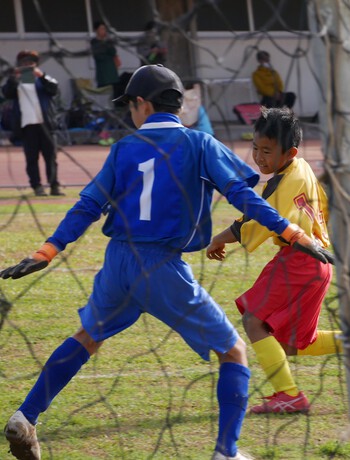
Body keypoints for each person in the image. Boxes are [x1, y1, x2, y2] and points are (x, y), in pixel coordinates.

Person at [0, 65, 332, 460]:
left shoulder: (123, 147)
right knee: (234, 351)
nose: (130, 113)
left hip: (118, 261)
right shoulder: (200, 143)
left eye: (130, 105)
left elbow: (88, 204)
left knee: (86, 337)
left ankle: (26, 416)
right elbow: (245, 198)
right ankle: (227, 452)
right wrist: (292, 232)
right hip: (160, 266)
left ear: (143, 104)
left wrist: (48, 250)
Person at [206, 107, 340, 415]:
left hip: (299, 260)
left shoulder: (281, 183)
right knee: (295, 343)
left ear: (289, 152)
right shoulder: (303, 168)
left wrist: (218, 238)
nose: (258, 157)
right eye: (254, 147)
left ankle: (287, 394)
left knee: (254, 320)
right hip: (318, 263)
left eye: (267, 151)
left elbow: (260, 220)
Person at [1, 50, 64, 196]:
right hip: (27, 126)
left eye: (31, 63)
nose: (28, 66)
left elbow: (54, 89)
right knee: (31, 159)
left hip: (46, 125)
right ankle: (37, 186)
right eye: (24, 63)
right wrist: (14, 77)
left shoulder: (44, 78)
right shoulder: (15, 81)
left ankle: (54, 185)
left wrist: (40, 75)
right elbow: (6, 93)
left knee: (51, 158)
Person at [90, 20, 121, 102]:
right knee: (103, 93)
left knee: (114, 93)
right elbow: (99, 56)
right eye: (101, 29)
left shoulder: (108, 41)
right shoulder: (94, 42)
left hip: (112, 71)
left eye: (104, 29)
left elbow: (113, 52)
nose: (103, 31)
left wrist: (106, 43)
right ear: (96, 30)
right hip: (102, 73)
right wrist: (105, 49)